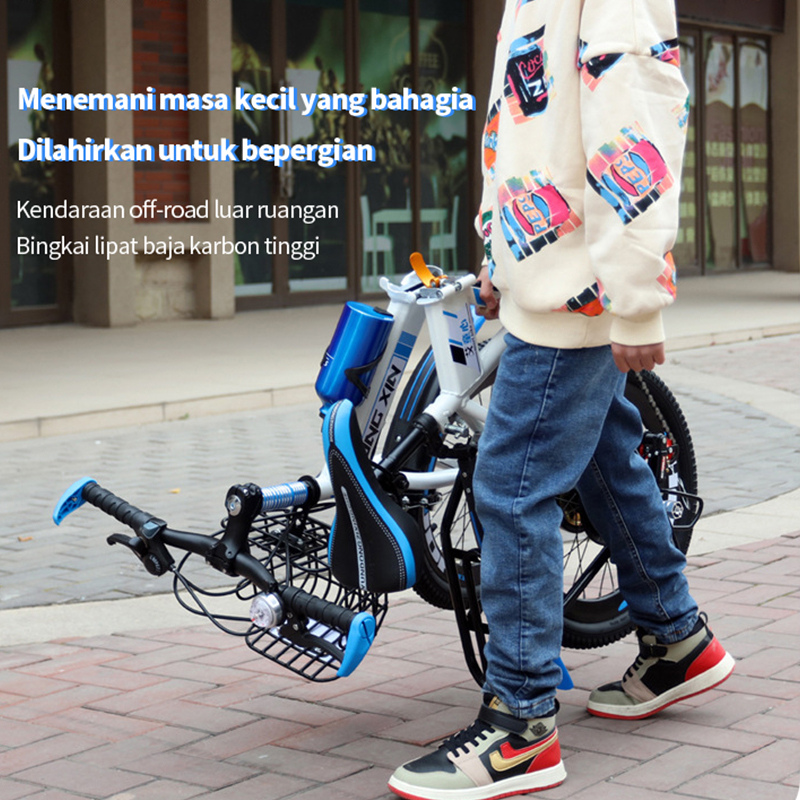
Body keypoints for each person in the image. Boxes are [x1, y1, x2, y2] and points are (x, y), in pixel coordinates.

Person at [388, 1, 734, 798]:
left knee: (511, 487)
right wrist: (499, 263)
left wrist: (637, 301)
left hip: (580, 287)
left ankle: (521, 726)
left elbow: (635, 128)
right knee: (604, 461)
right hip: (547, 277)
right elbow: (521, 132)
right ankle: (677, 638)